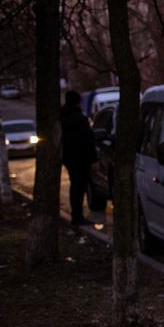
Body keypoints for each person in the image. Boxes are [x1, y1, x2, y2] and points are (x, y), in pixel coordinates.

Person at [60, 90, 97, 227]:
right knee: (79, 187)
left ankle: (77, 214)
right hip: (81, 158)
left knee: (75, 186)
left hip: (68, 157)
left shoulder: (62, 117)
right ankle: (78, 216)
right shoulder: (79, 118)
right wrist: (93, 158)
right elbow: (88, 139)